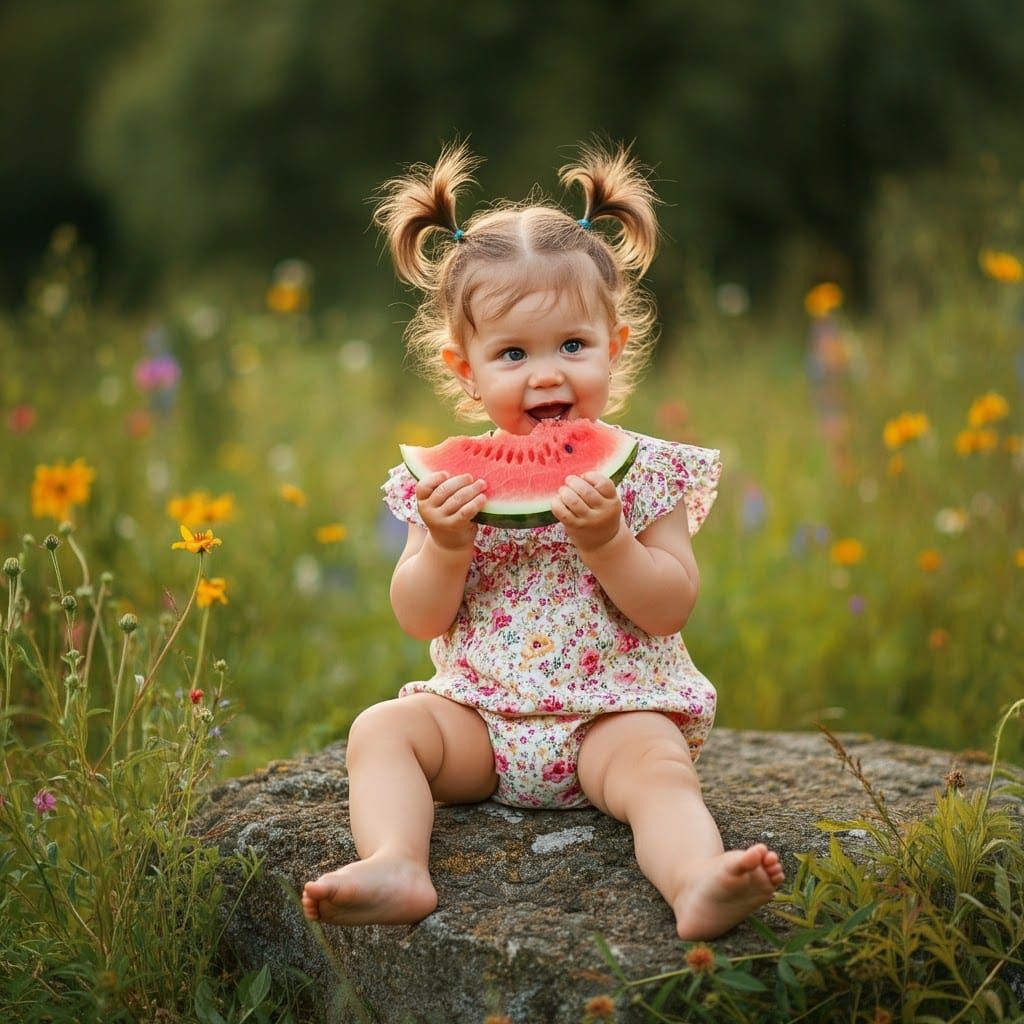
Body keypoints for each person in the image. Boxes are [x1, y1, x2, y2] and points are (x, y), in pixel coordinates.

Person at [302, 141, 784, 940]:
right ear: (465, 370)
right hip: (479, 725)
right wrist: (445, 546)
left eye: (572, 346)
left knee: (661, 771)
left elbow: (669, 607)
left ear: (614, 346)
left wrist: (610, 542)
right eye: (513, 354)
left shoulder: (649, 472)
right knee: (379, 730)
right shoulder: (444, 489)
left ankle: (695, 879)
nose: (547, 373)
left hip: (611, 720)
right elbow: (419, 618)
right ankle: (396, 862)